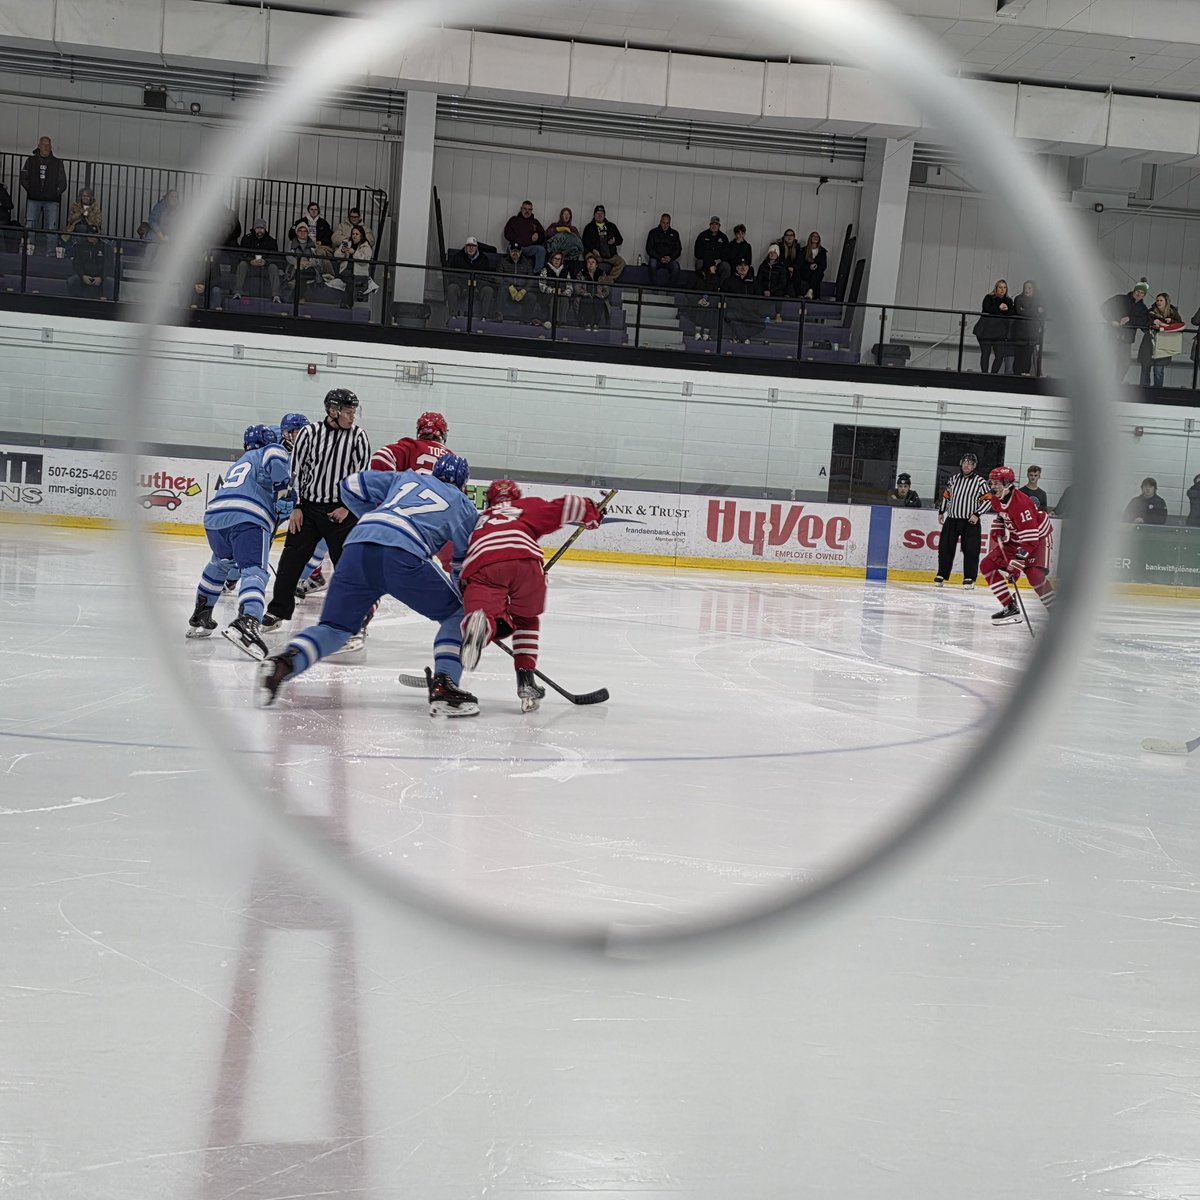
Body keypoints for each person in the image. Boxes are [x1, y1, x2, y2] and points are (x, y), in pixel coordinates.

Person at [256, 454, 482, 717]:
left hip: (357, 545)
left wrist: (373, 517)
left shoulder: (406, 477)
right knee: (456, 614)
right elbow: (462, 566)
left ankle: (284, 663)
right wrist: (467, 601)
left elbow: (350, 484)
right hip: (402, 554)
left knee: (335, 628)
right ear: (463, 484)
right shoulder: (465, 506)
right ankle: (446, 684)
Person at [459, 480, 604, 712]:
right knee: (526, 618)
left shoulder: (480, 519)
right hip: (525, 560)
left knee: (483, 612)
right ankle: (526, 681)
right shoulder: (525, 507)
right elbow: (568, 505)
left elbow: (454, 550)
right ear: (516, 496)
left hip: (482, 563)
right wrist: (593, 513)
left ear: (489, 501)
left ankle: (481, 626)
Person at [262, 388, 372, 630]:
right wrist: (298, 506)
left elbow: (361, 477)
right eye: (348, 412)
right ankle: (277, 610)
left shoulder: (358, 437)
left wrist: (347, 506)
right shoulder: (310, 433)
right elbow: (297, 471)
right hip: (308, 509)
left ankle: (355, 616)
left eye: (354, 412)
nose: (352, 417)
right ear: (333, 411)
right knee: (291, 560)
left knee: (348, 567)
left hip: (341, 512)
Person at [187, 424, 292, 659]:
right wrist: (286, 491)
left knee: (220, 564)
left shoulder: (242, 461)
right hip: (248, 517)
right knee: (254, 571)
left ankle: (201, 613)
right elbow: (276, 458)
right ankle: (248, 620)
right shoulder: (272, 450)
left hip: (215, 518)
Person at [979, 466, 1055, 625]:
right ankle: (1010, 607)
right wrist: (998, 525)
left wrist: (1017, 564)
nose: (993, 487)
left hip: (1038, 537)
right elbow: (1002, 515)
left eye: (997, 484)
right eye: (992, 483)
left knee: (1034, 574)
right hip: (1017, 537)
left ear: (1008, 484)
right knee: (987, 565)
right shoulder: (996, 498)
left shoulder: (1021, 504)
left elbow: (1031, 540)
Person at [935, 452, 990, 588]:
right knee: (945, 548)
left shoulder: (980, 482)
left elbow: (989, 500)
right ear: (961, 464)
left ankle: (969, 577)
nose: (967, 465)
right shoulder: (953, 479)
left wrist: (977, 514)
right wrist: (942, 511)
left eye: (970, 463)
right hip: (952, 519)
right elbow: (947, 496)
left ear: (974, 466)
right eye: (965, 462)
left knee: (971, 550)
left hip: (970, 522)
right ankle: (942, 574)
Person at [19, 136, 68, 255]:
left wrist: (55, 193)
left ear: (51, 147)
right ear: (39, 146)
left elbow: (63, 182)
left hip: (51, 200)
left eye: (48, 145)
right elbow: (23, 177)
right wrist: (31, 190)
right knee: (30, 225)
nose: (46, 147)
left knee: (51, 228)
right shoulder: (31, 161)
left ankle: (50, 254)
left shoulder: (57, 163)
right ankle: (28, 250)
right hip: (34, 198)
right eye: (44, 145)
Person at [370, 411, 452, 474]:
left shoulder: (409, 446)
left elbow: (380, 456)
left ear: (420, 430)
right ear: (443, 433)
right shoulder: (451, 457)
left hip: (411, 495)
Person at [1103, 280, 1150, 382]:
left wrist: (1130, 319)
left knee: (1124, 363)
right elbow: (1104, 307)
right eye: (1138, 291)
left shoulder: (1143, 309)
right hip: (1112, 336)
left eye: (1142, 293)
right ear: (1134, 290)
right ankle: (1105, 383)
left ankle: (1117, 382)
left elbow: (1144, 322)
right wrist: (1111, 320)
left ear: (1144, 295)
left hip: (1127, 339)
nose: (1139, 294)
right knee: (1108, 360)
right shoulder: (1120, 299)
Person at [233, 215, 283, 302]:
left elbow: (275, 258)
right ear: (254, 228)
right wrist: (250, 261)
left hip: (265, 269)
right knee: (242, 265)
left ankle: (276, 295)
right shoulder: (246, 239)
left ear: (265, 229)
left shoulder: (271, 241)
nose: (260, 230)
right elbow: (241, 255)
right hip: (250, 267)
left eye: (262, 228)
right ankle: (237, 292)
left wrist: (265, 261)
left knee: (273, 267)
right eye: (258, 228)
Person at [1141, 292, 1185, 387]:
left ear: (1166, 302)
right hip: (1149, 344)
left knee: (1158, 370)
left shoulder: (1173, 313)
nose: (1158, 302)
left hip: (1164, 345)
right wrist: (1153, 322)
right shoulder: (1150, 312)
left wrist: (1170, 322)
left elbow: (1180, 325)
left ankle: (1158, 392)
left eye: (1161, 300)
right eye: (1157, 300)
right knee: (1145, 369)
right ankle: (1143, 391)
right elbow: (1144, 322)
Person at [444, 236, 495, 319]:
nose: (471, 248)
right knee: (452, 288)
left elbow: (487, 278)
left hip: (478, 288)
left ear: (477, 247)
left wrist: (478, 287)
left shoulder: (484, 259)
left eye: (473, 246)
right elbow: (452, 275)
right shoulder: (457, 257)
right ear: (465, 246)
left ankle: (484, 318)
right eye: (469, 246)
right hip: (461, 287)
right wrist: (463, 286)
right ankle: (453, 316)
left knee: (488, 290)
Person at [973, 280, 1014, 374]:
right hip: (985, 331)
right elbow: (987, 309)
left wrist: (1007, 310)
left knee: (1000, 355)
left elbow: (1012, 312)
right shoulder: (988, 298)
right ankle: (984, 374)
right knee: (985, 354)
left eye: (1004, 287)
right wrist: (999, 308)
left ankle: (993, 374)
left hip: (999, 333)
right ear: (996, 288)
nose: (1002, 290)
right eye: (1000, 287)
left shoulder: (1008, 300)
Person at [286, 220, 332, 302]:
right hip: (296, 267)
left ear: (308, 233)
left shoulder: (313, 245)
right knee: (301, 273)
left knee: (303, 273)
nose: (302, 233)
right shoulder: (291, 243)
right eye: (300, 231)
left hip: (310, 269)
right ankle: (300, 297)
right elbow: (288, 256)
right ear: (296, 232)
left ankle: (296, 295)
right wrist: (298, 262)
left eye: (305, 231)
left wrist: (310, 263)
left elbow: (317, 259)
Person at [495, 241, 538, 323]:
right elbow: (498, 278)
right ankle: (498, 315)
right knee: (502, 289)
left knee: (532, 297)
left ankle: (525, 320)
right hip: (507, 290)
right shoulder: (503, 261)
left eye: (517, 251)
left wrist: (524, 290)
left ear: (521, 252)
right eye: (513, 251)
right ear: (510, 251)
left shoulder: (527, 263)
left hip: (521, 291)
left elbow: (531, 279)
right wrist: (509, 287)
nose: (515, 253)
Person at [332, 224, 373, 309]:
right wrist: (342, 252)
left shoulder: (366, 246)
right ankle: (347, 304)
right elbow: (336, 256)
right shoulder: (346, 242)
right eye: (353, 234)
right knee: (350, 281)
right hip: (346, 269)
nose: (354, 236)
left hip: (359, 272)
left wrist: (354, 253)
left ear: (361, 235)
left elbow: (364, 261)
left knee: (352, 282)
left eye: (357, 234)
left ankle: (346, 303)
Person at [581, 205, 625, 281]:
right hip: (595, 254)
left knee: (621, 262)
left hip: (610, 255)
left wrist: (614, 240)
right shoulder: (589, 227)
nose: (599, 215)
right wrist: (593, 250)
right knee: (590, 260)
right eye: (597, 213)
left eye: (601, 214)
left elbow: (620, 240)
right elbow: (585, 242)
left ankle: (608, 280)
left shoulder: (612, 226)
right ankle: (592, 280)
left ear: (604, 215)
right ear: (594, 215)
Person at [503, 200, 546, 274]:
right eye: (525, 209)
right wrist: (517, 241)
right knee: (510, 248)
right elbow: (507, 233)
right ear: (521, 208)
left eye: (529, 209)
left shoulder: (535, 222)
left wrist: (538, 236)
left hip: (529, 248)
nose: (527, 211)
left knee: (541, 250)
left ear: (532, 210)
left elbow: (543, 236)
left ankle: (536, 274)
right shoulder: (514, 220)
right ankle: (511, 272)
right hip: (516, 246)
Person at [1011, 280, 1045, 376]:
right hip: (1020, 334)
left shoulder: (1038, 300)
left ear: (1034, 289)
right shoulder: (1018, 299)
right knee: (1018, 357)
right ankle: (1016, 376)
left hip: (1031, 335)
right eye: (1025, 288)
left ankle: (1025, 375)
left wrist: (1027, 310)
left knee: (1027, 357)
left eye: (1029, 288)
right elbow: (1020, 312)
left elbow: (1043, 313)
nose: (1027, 290)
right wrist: (1035, 310)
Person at [723, 260, 760, 345]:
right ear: (736, 268)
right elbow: (723, 296)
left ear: (748, 268)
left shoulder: (753, 282)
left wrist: (753, 309)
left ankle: (740, 337)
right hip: (733, 311)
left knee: (761, 324)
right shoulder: (729, 281)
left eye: (745, 266)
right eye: (740, 265)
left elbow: (758, 298)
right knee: (731, 317)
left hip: (748, 312)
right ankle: (744, 338)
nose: (743, 268)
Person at [573, 251, 611, 330]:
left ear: (596, 265)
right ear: (586, 264)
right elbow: (577, 287)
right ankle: (588, 323)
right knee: (587, 300)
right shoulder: (582, 274)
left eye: (593, 262)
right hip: (585, 296)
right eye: (589, 262)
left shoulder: (602, 274)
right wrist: (584, 293)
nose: (590, 264)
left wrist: (601, 295)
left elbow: (607, 288)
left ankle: (596, 324)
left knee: (598, 301)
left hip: (598, 296)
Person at [67, 226, 105, 299]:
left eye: (94, 235)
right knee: (72, 281)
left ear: (98, 234)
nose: (91, 237)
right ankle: (73, 303)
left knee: (110, 282)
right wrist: (82, 276)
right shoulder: (80, 246)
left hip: (100, 277)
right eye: (89, 234)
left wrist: (101, 277)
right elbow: (77, 263)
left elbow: (108, 265)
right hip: (84, 276)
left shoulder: (105, 247)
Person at [645, 213, 682, 288]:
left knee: (676, 266)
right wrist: (659, 258)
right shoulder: (653, 232)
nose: (665, 225)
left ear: (670, 223)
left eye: (667, 223)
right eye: (663, 223)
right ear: (660, 222)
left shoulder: (675, 233)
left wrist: (670, 257)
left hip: (670, 260)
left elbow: (678, 249)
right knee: (652, 264)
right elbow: (649, 248)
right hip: (656, 259)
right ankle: (655, 287)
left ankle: (669, 288)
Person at [538, 249, 573, 326]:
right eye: (555, 259)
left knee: (564, 300)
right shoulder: (545, 270)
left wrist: (562, 292)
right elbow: (541, 285)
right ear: (551, 259)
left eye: (559, 259)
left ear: (561, 260)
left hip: (562, 294)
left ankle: (562, 322)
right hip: (548, 295)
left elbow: (570, 287)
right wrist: (552, 290)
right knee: (554, 298)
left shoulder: (566, 271)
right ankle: (554, 321)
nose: (557, 261)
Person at [757, 243, 788, 321]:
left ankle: (778, 315)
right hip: (764, 289)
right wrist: (764, 290)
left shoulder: (781, 267)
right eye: (771, 252)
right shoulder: (763, 266)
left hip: (775, 290)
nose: (772, 254)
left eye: (774, 253)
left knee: (779, 294)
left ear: (778, 255)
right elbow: (759, 280)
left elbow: (782, 283)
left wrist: (771, 291)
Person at [798, 231, 827, 300]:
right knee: (817, 276)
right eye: (813, 236)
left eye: (817, 236)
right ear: (810, 238)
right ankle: (816, 296)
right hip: (806, 273)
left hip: (817, 272)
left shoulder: (822, 251)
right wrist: (809, 267)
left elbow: (824, 265)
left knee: (817, 273)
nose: (815, 238)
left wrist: (816, 266)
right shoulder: (804, 250)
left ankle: (810, 290)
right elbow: (800, 264)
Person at [777, 228, 802, 297]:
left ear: (794, 237)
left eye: (791, 235)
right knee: (785, 272)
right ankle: (786, 293)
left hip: (793, 268)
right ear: (784, 237)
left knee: (797, 272)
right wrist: (788, 268)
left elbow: (799, 260)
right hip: (784, 267)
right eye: (787, 235)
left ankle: (798, 294)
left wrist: (793, 268)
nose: (789, 237)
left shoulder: (797, 247)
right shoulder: (780, 246)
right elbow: (780, 259)